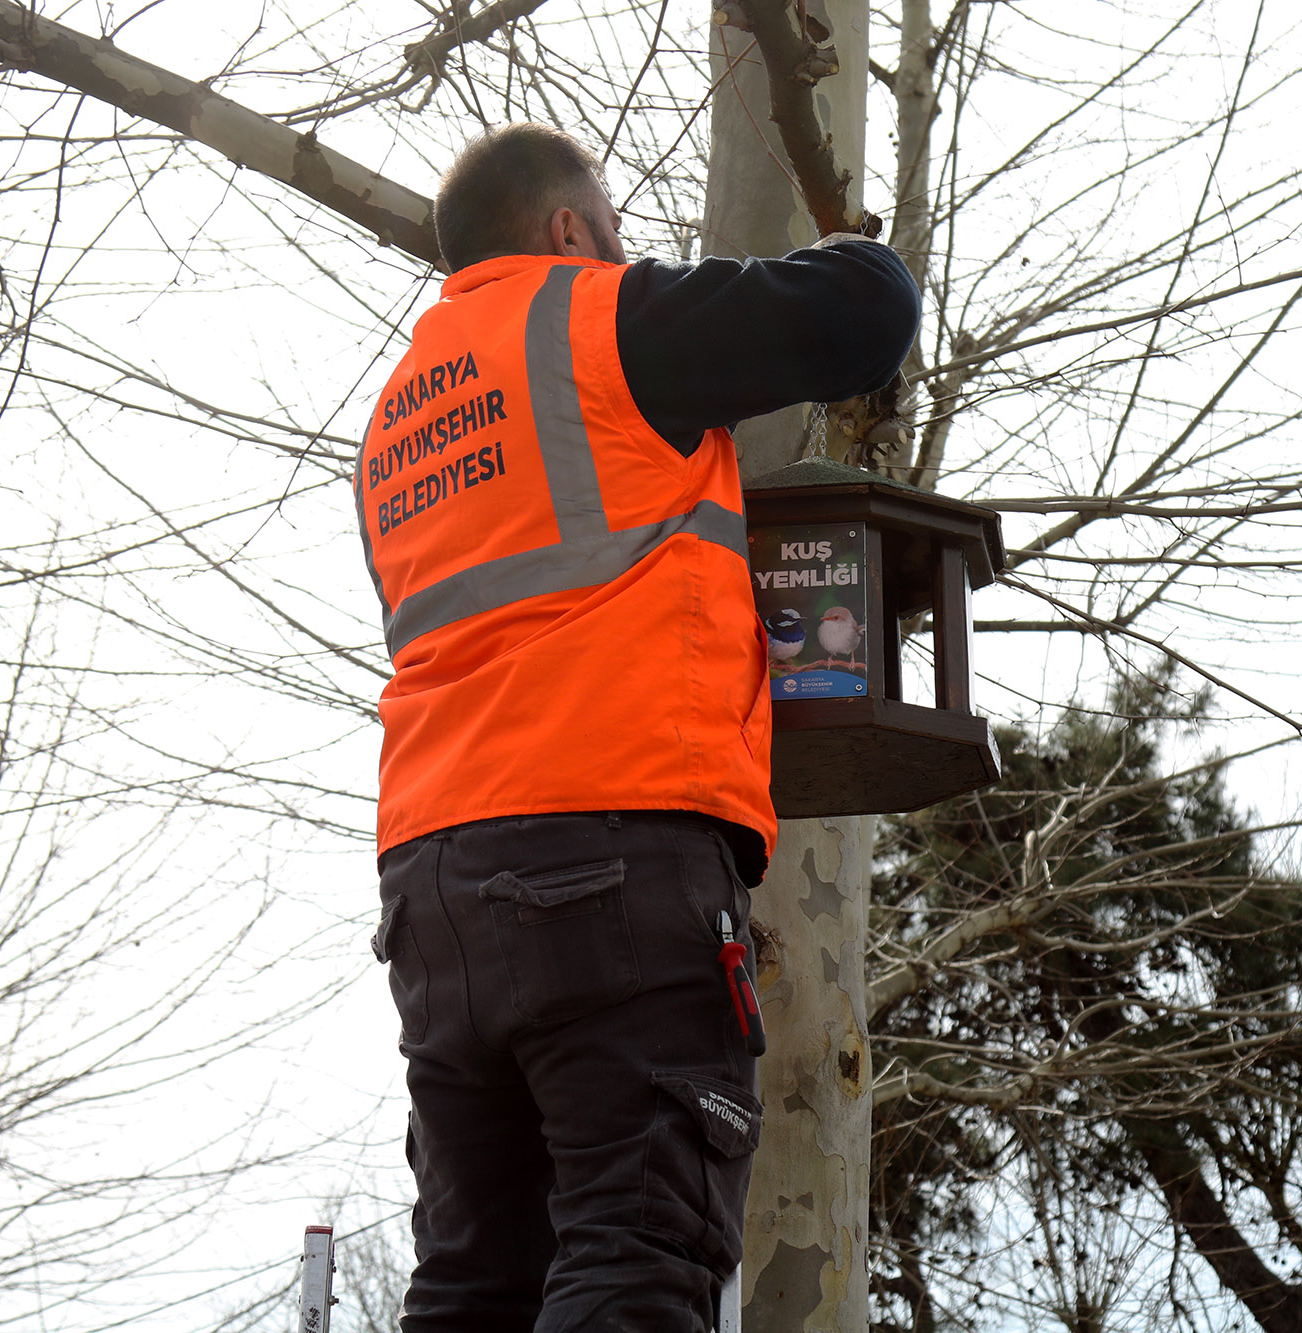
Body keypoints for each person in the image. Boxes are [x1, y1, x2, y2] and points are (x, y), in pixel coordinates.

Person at [356, 122, 918, 1332]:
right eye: (609, 231)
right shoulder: (599, 319)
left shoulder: (397, 426)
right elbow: (865, 314)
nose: (621, 251)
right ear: (568, 233)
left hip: (432, 894)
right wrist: (847, 243)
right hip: (610, 854)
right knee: (638, 1252)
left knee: (473, 1282)